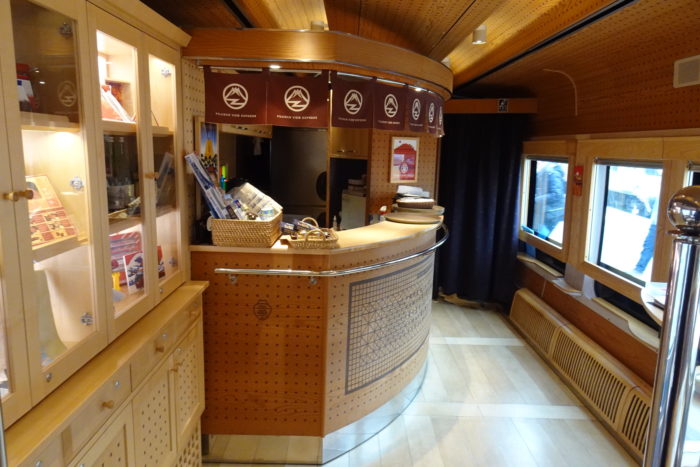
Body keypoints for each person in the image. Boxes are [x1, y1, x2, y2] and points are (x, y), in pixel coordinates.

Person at [533, 163, 566, 239]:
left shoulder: (553, 174)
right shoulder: (546, 172)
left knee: (546, 235)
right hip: (549, 211)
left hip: (553, 212)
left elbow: (556, 194)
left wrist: (537, 199)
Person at [634, 197, 658, 275]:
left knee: (648, 247)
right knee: (648, 247)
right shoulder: (658, 196)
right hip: (655, 223)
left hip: (657, 224)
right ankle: (639, 269)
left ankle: (639, 269)